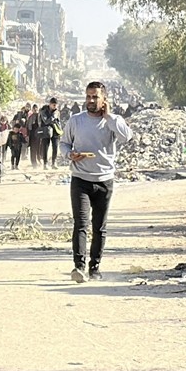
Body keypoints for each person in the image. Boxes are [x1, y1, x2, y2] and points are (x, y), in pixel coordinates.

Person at [59, 81, 134, 283]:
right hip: (80, 179)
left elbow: (127, 137)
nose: (91, 101)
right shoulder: (75, 121)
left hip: (104, 181)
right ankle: (79, 266)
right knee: (81, 224)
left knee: (99, 226)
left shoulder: (113, 121)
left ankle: (95, 267)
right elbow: (64, 143)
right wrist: (70, 155)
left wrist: (109, 116)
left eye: (95, 97)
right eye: (88, 97)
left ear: (104, 99)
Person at [38, 97, 61, 169]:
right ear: (50, 104)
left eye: (56, 105)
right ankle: (45, 164)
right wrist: (53, 116)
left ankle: (54, 163)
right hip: (46, 131)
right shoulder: (43, 111)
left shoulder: (57, 112)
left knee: (55, 147)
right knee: (45, 147)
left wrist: (60, 130)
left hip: (55, 131)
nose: (55, 106)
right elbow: (46, 121)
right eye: (54, 105)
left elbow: (58, 122)